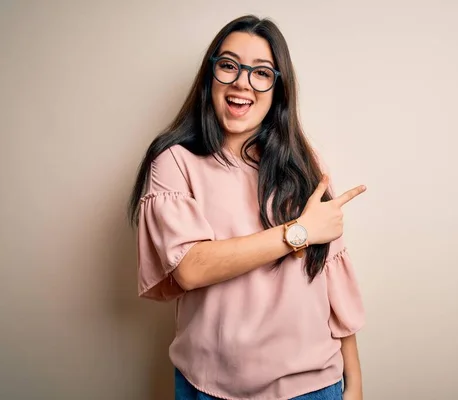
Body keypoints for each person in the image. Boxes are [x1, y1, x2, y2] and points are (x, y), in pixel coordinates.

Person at [128, 14, 367, 400]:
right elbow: (190, 267)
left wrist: (353, 380)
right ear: (210, 78)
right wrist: (299, 232)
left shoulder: (306, 163)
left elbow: (330, 276)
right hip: (209, 388)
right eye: (228, 66)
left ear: (278, 89)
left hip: (314, 387)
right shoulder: (174, 162)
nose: (242, 82)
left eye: (261, 73)